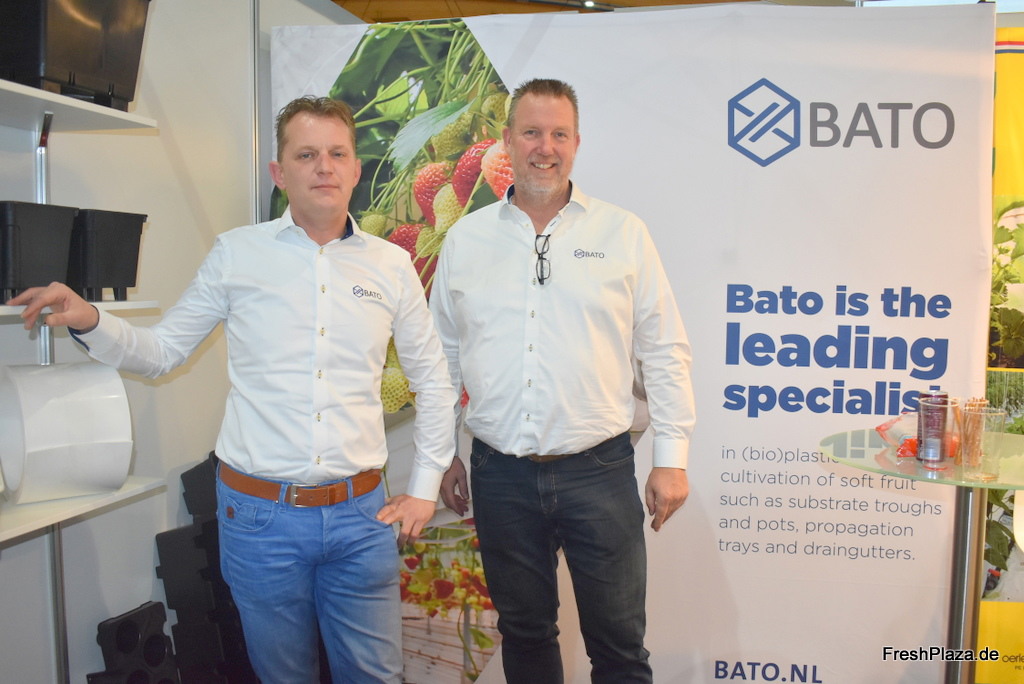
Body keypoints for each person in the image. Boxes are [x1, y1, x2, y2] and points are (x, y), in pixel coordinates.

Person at [8, 96, 457, 683]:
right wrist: (91, 318)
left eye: (337, 154)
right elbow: (162, 352)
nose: (323, 166)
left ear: (356, 168)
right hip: (260, 519)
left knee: (377, 677)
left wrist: (423, 489)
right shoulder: (238, 255)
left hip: (362, 517)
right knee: (283, 677)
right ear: (279, 172)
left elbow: (433, 382)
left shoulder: (391, 265)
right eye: (306, 154)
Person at [429, 78, 696, 683]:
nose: (544, 148)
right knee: (525, 636)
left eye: (558, 134)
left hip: (598, 471)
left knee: (620, 650)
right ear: (506, 141)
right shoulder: (466, 239)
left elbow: (664, 347)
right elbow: (442, 356)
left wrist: (672, 458)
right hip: (499, 475)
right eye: (531, 132)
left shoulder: (623, 233)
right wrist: (442, 453)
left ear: (576, 143)